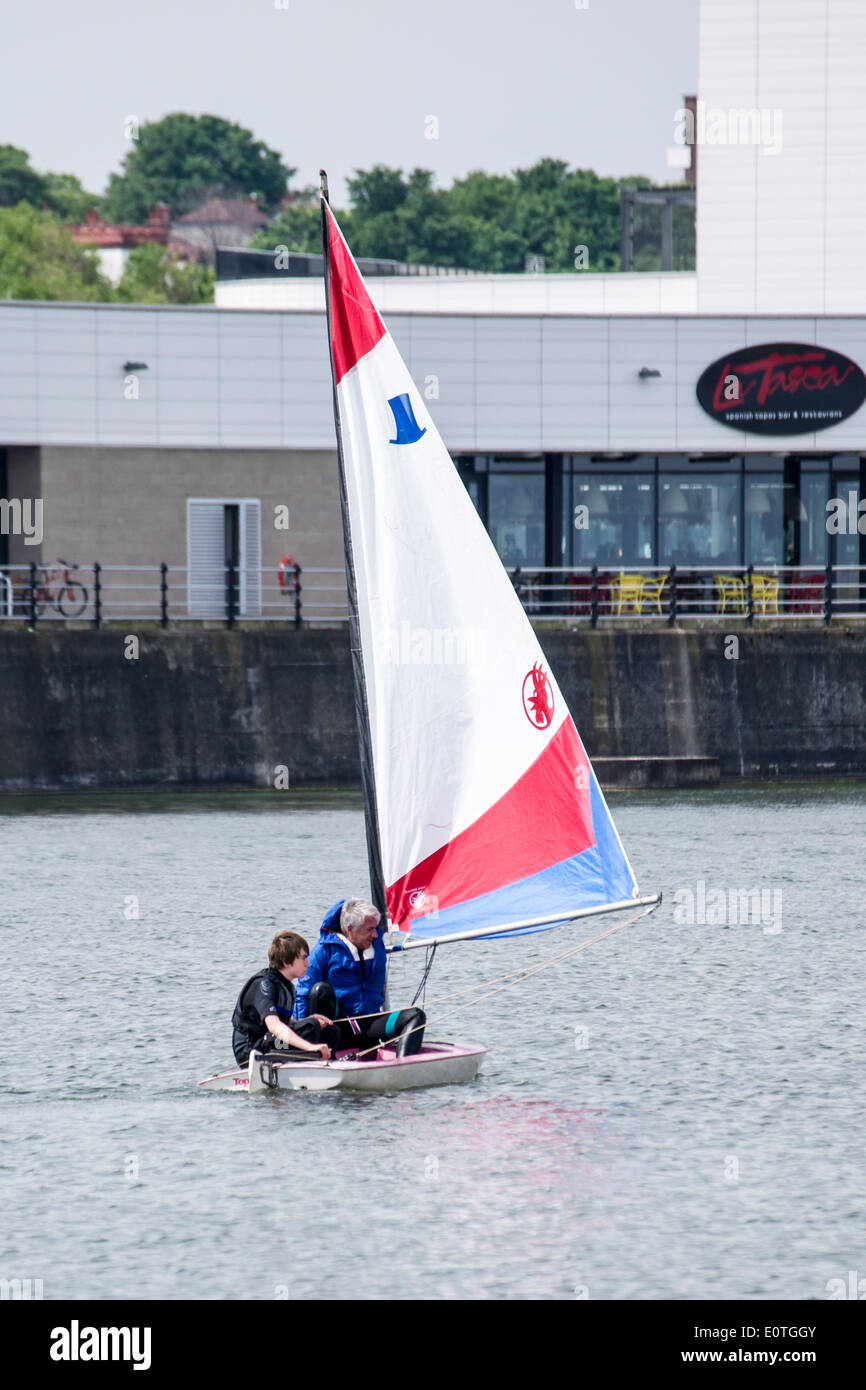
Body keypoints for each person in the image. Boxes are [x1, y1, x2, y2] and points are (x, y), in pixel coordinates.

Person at [294, 898, 427, 1058]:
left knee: (415, 1016)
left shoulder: (377, 944)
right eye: (369, 929)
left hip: (370, 1026)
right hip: (338, 1029)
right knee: (320, 990)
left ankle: (402, 1068)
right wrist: (300, 1040)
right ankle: (326, 1059)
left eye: (376, 928)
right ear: (350, 930)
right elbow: (303, 994)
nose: (375, 934)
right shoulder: (323, 951)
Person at [231, 930, 341, 1067]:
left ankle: (327, 1063)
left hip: (272, 1042)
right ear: (287, 962)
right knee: (311, 1027)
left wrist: (308, 1019)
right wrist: (309, 1047)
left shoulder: (287, 986)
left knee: (330, 1030)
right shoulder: (264, 984)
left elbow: (284, 1021)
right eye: (303, 958)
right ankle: (312, 1058)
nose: (308, 963)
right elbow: (274, 1026)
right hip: (252, 1050)